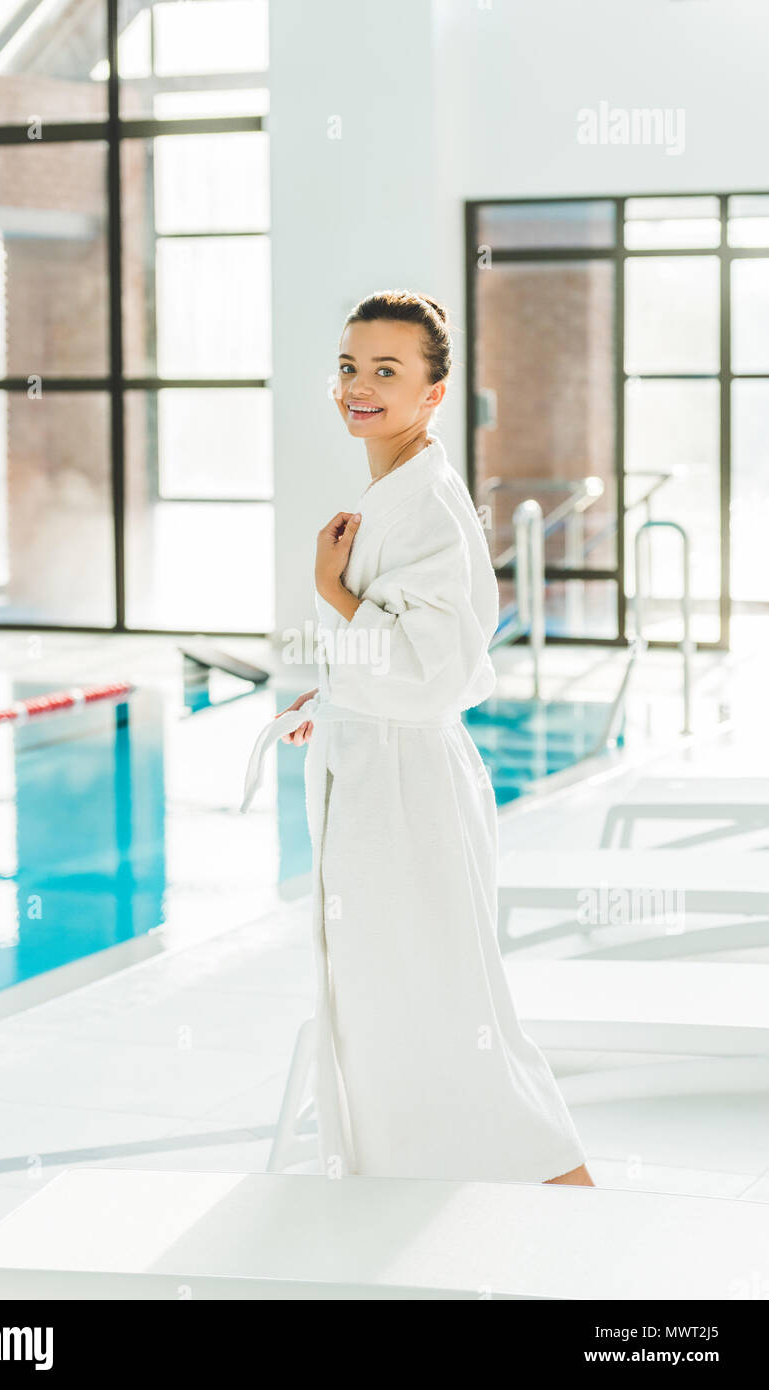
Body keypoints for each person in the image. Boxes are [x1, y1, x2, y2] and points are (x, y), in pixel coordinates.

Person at [243, 289, 593, 1188]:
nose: (359, 386)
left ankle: (569, 1199)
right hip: (382, 774)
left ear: (433, 393)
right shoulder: (399, 489)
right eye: (351, 366)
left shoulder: (428, 505)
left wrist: (334, 595)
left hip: (406, 795)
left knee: (442, 1002)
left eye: (387, 372)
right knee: (392, 1003)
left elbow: (436, 671)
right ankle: (404, 1197)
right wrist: (336, 696)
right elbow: (402, 658)